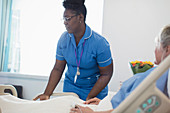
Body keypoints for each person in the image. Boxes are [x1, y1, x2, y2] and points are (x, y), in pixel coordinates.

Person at [70, 25, 170, 113]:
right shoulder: (160, 72)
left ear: (167, 49)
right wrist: (104, 103)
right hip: (109, 105)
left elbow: (130, 109)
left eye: (157, 45)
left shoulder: (162, 77)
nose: (154, 50)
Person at [34, 0, 113, 101]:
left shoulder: (100, 43)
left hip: (94, 90)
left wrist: (90, 97)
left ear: (80, 17)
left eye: (68, 18)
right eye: (64, 18)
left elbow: (106, 74)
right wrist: (46, 94)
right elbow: (58, 69)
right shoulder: (64, 39)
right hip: (71, 88)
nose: (65, 22)